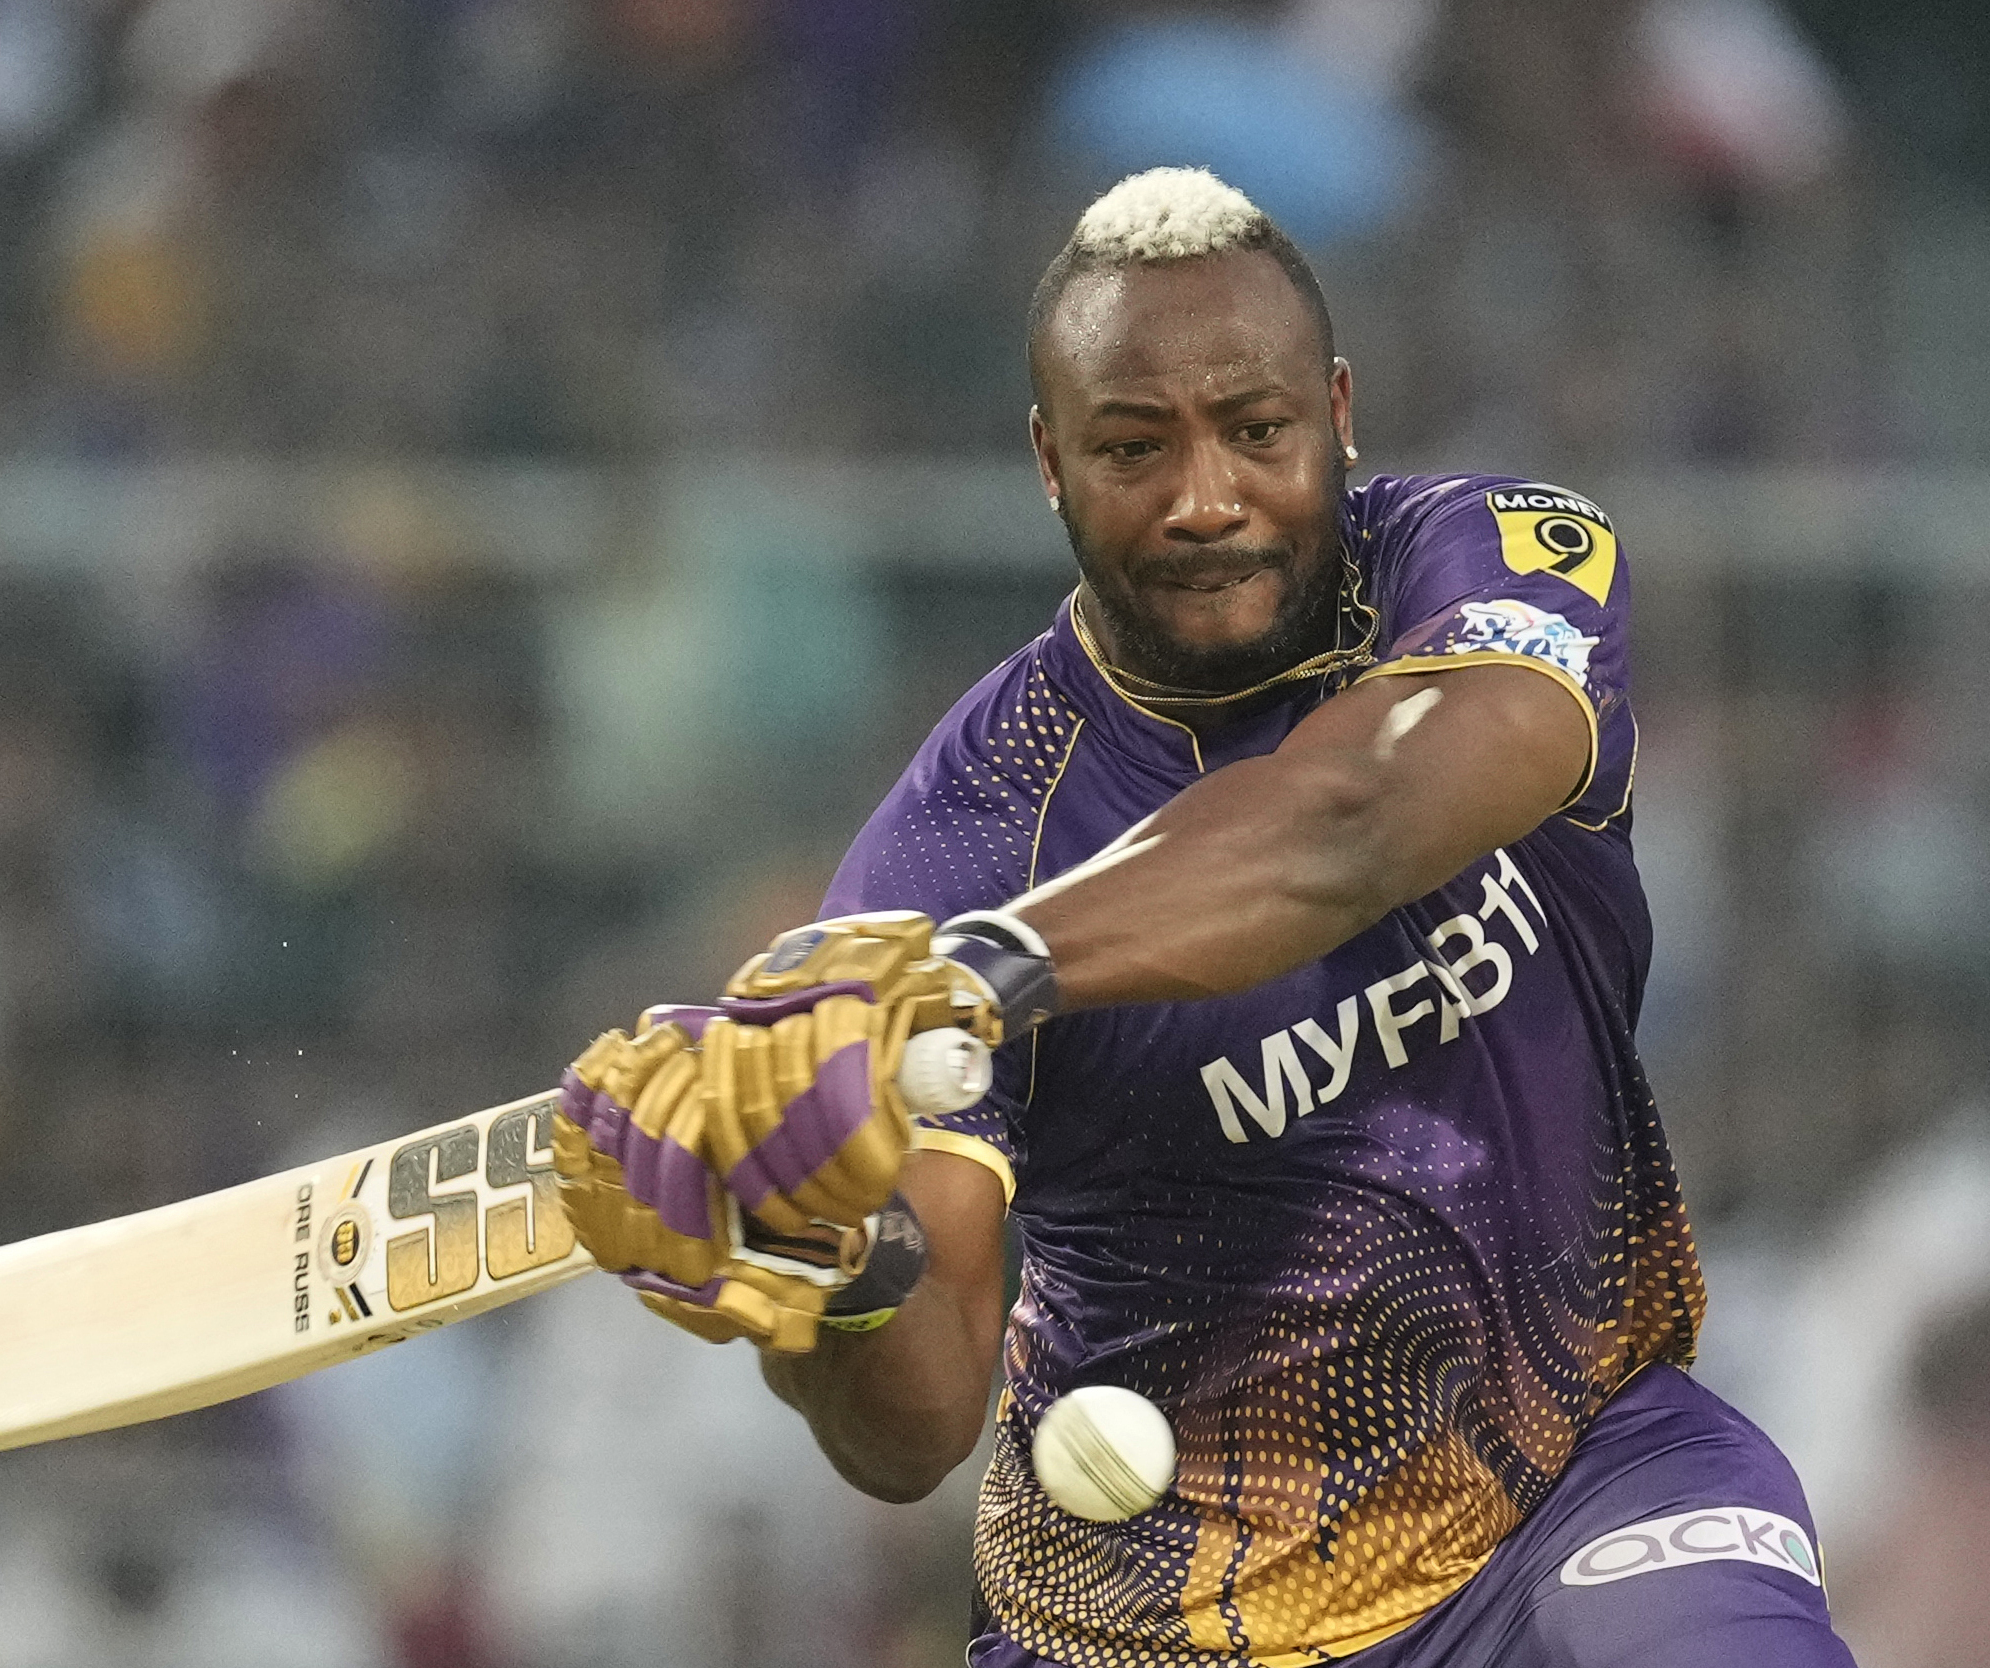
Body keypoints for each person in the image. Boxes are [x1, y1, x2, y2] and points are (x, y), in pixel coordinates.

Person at [548, 168, 1855, 1667]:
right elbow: (911, 1433)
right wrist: (826, 1259)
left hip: (1582, 1478)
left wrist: (987, 975)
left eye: (1257, 430)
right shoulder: (954, 845)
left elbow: (1353, 820)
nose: (1206, 498)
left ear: (1340, 411)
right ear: (1048, 460)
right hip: (1153, 1619)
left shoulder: (1486, 556)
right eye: (1130, 447)